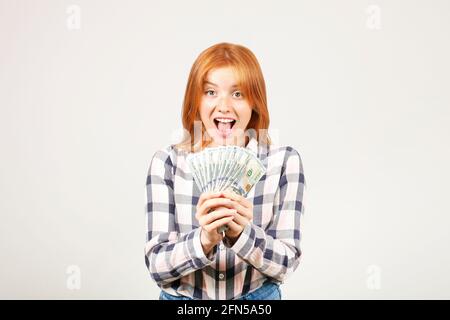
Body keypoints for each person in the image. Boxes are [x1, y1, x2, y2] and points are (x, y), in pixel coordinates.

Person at [145, 42, 306, 300]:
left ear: (255, 101)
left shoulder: (283, 162)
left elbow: (286, 264)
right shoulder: (167, 162)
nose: (223, 106)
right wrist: (204, 239)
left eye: (238, 94)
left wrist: (243, 235)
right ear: (195, 100)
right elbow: (157, 268)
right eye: (210, 92)